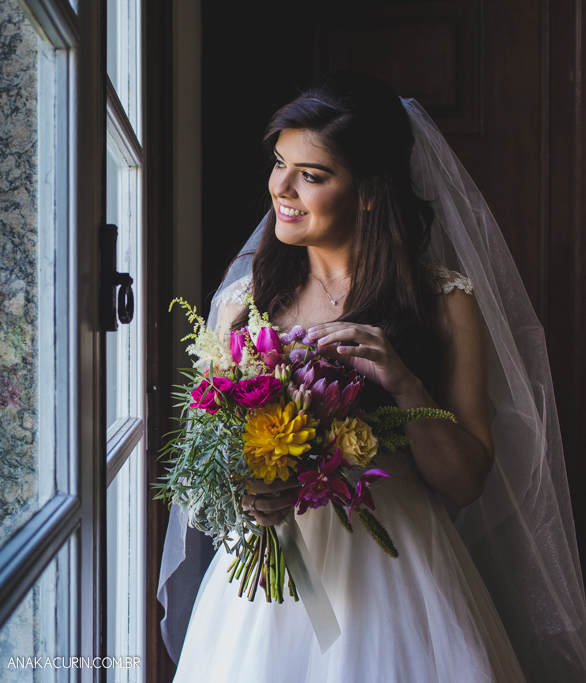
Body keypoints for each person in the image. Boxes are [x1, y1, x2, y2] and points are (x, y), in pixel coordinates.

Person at [160, 72, 586, 683]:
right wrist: (250, 498)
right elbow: (202, 480)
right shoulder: (244, 304)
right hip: (268, 590)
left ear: (367, 192)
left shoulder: (443, 302)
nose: (281, 188)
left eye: (312, 175)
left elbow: (467, 483)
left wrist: (407, 385)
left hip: (403, 576)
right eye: (280, 163)